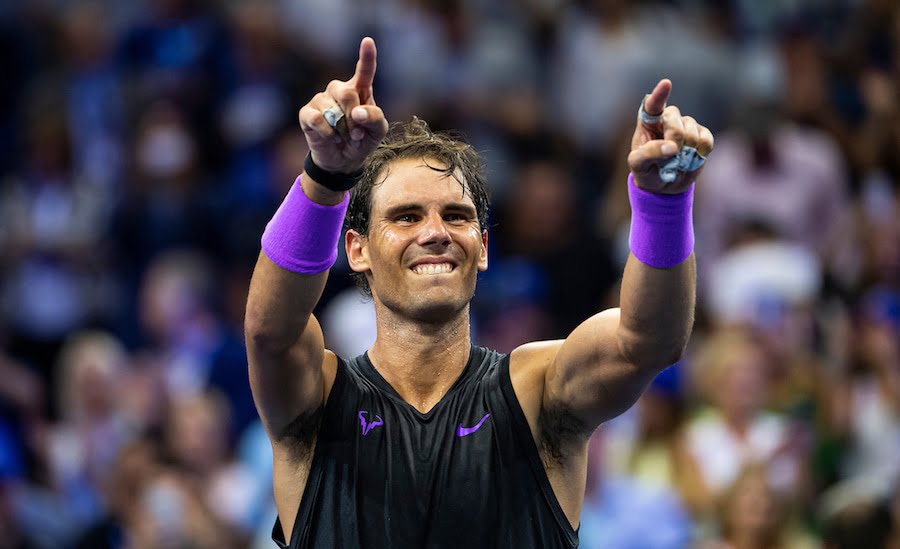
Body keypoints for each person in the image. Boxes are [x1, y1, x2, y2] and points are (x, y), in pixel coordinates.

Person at [244, 37, 714, 548]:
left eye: (456, 216)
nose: (435, 232)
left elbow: (648, 340)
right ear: (356, 250)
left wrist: (662, 206)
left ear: (483, 247)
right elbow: (270, 331)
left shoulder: (539, 392)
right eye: (406, 216)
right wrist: (325, 177)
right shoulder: (318, 396)